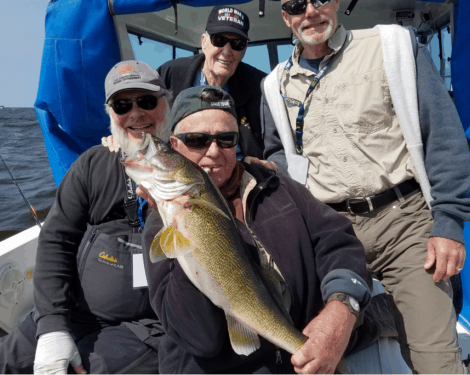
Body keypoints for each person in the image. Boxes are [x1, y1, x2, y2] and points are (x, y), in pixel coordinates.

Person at [261, 0, 470, 374]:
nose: (310, 12)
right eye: (296, 6)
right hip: (332, 232)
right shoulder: (274, 87)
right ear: (286, 17)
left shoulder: (393, 47)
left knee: (436, 361)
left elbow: (443, 135)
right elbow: (282, 161)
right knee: (314, 352)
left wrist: (449, 222)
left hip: (406, 224)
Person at [140, 85, 373, 374]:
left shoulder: (276, 186)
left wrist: (341, 309)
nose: (213, 151)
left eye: (226, 139)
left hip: (301, 359)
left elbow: (338, 242)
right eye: (197, 140)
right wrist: (184, 229)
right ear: (175, 145)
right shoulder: (160, 224)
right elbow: (199, 339)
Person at [0, 60, 169, 374]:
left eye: (146, 101)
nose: (135, 113)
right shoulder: (91, 164)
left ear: (166, 103)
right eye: (122, 105)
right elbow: (56, 240)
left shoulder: (190, 164)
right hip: (71, 312)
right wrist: (52, 325)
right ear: (110, 113)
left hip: (143, 328)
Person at [157, 5, 271, 164]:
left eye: (237, 43)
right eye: (219, 40)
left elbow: (275, 144)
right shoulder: (169, 74)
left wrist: (258, 166)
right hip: (181, 169)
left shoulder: (261, 86)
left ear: (244, 50)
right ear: (204, 42)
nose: (227, 51)